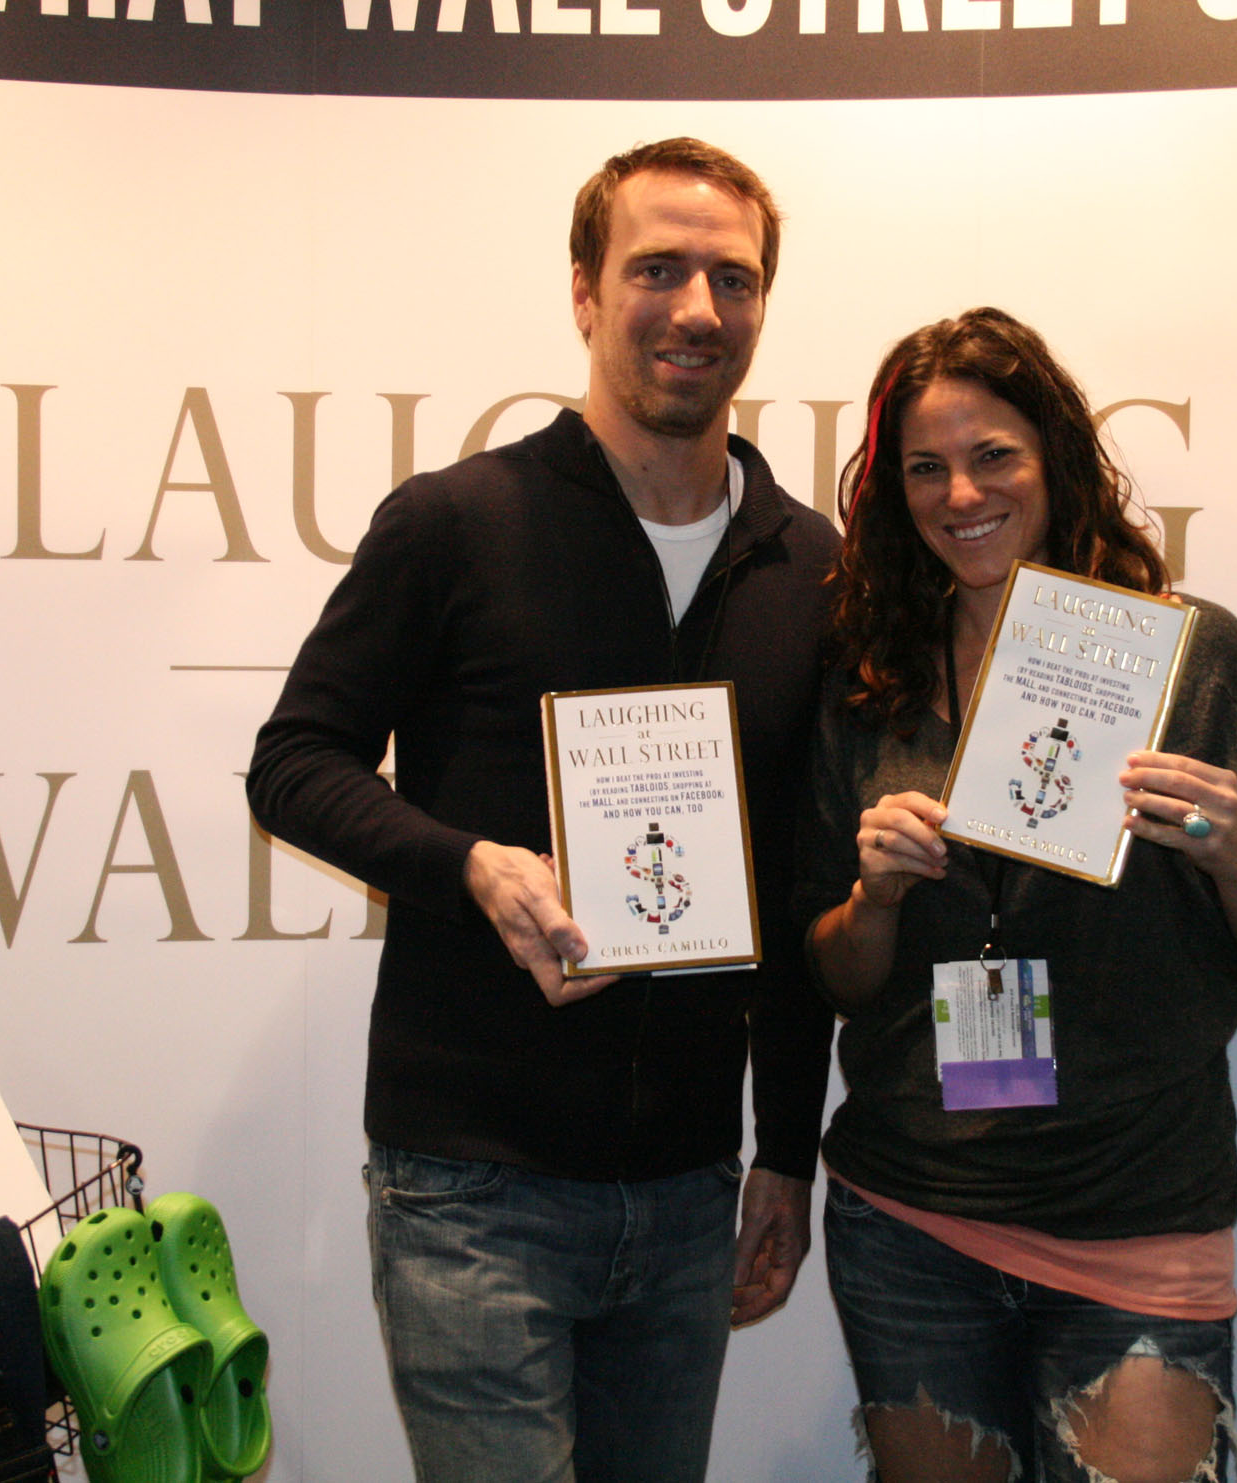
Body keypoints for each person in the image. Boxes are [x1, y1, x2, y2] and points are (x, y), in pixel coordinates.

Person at [247, 138, 839, 1482]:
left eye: (733, 278)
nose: (697, 308)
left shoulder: (807, 563)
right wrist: (472, 865)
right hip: (473, 1187)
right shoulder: (457, 521)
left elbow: (801, 882)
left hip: (688, 1187)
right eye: (657, 269)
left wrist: (786, 1152)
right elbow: (294, 761)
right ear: (584, 292)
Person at [796, 308, 1237, 1483]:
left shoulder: (1184, 651)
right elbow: (833, 970)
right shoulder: (867, 678)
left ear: (1052, 457)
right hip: (912, 1214)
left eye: (992, 454)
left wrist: (1231, 848)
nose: (961, 494)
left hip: (1137, 1207)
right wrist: (874, 898)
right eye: (925, 468)